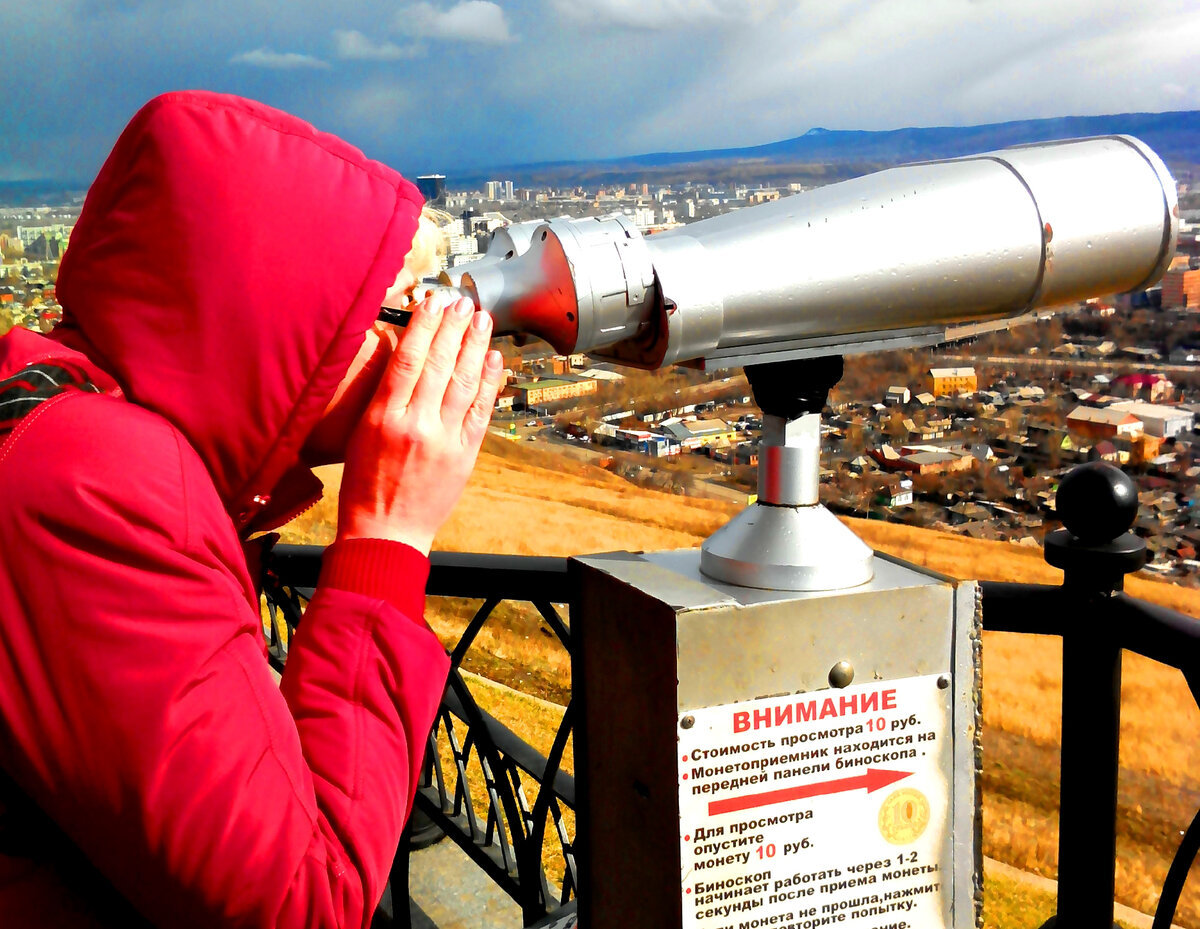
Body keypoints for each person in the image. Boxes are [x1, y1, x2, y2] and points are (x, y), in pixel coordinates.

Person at [0, 91, 503, 927]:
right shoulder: (95, 488)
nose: (407, 343)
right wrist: (389, 531)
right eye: (388, 313)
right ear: (283, 334)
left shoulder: (67, 421)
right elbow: (304, 902)